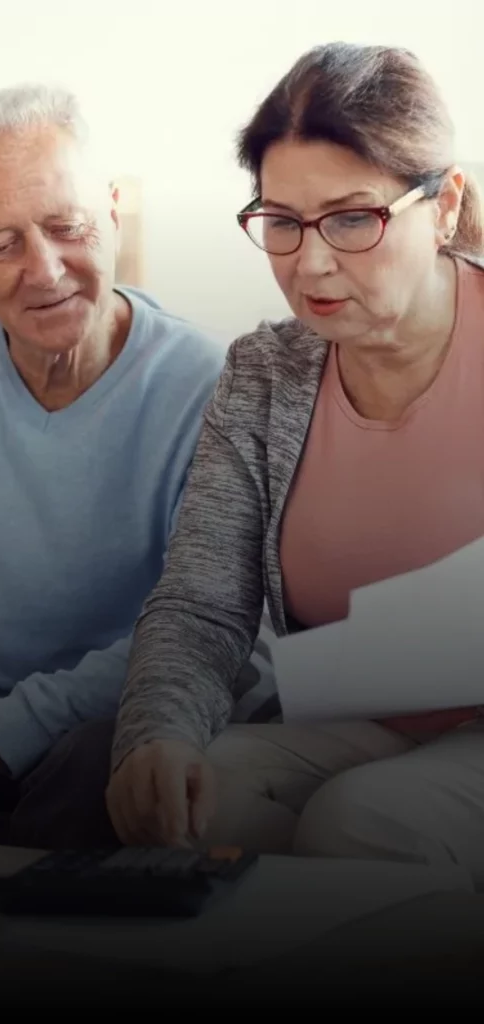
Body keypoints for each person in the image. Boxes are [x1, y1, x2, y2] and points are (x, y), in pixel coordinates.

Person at [106, 42, 484, 886]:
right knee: (199, 801)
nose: (309, 263)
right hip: (364, 718)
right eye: (281, 222)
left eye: (353, 218)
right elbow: (201, 605)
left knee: (368, 822)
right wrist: (158, 737)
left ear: (445, 203)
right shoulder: (263, 373)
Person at [0, 83, 275, 846]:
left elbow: (218, 632)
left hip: (116, 724)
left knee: (97, 771)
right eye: (1, 244)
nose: (44, 270)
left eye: (65, 226)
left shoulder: (214, 387)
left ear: (112, 211)